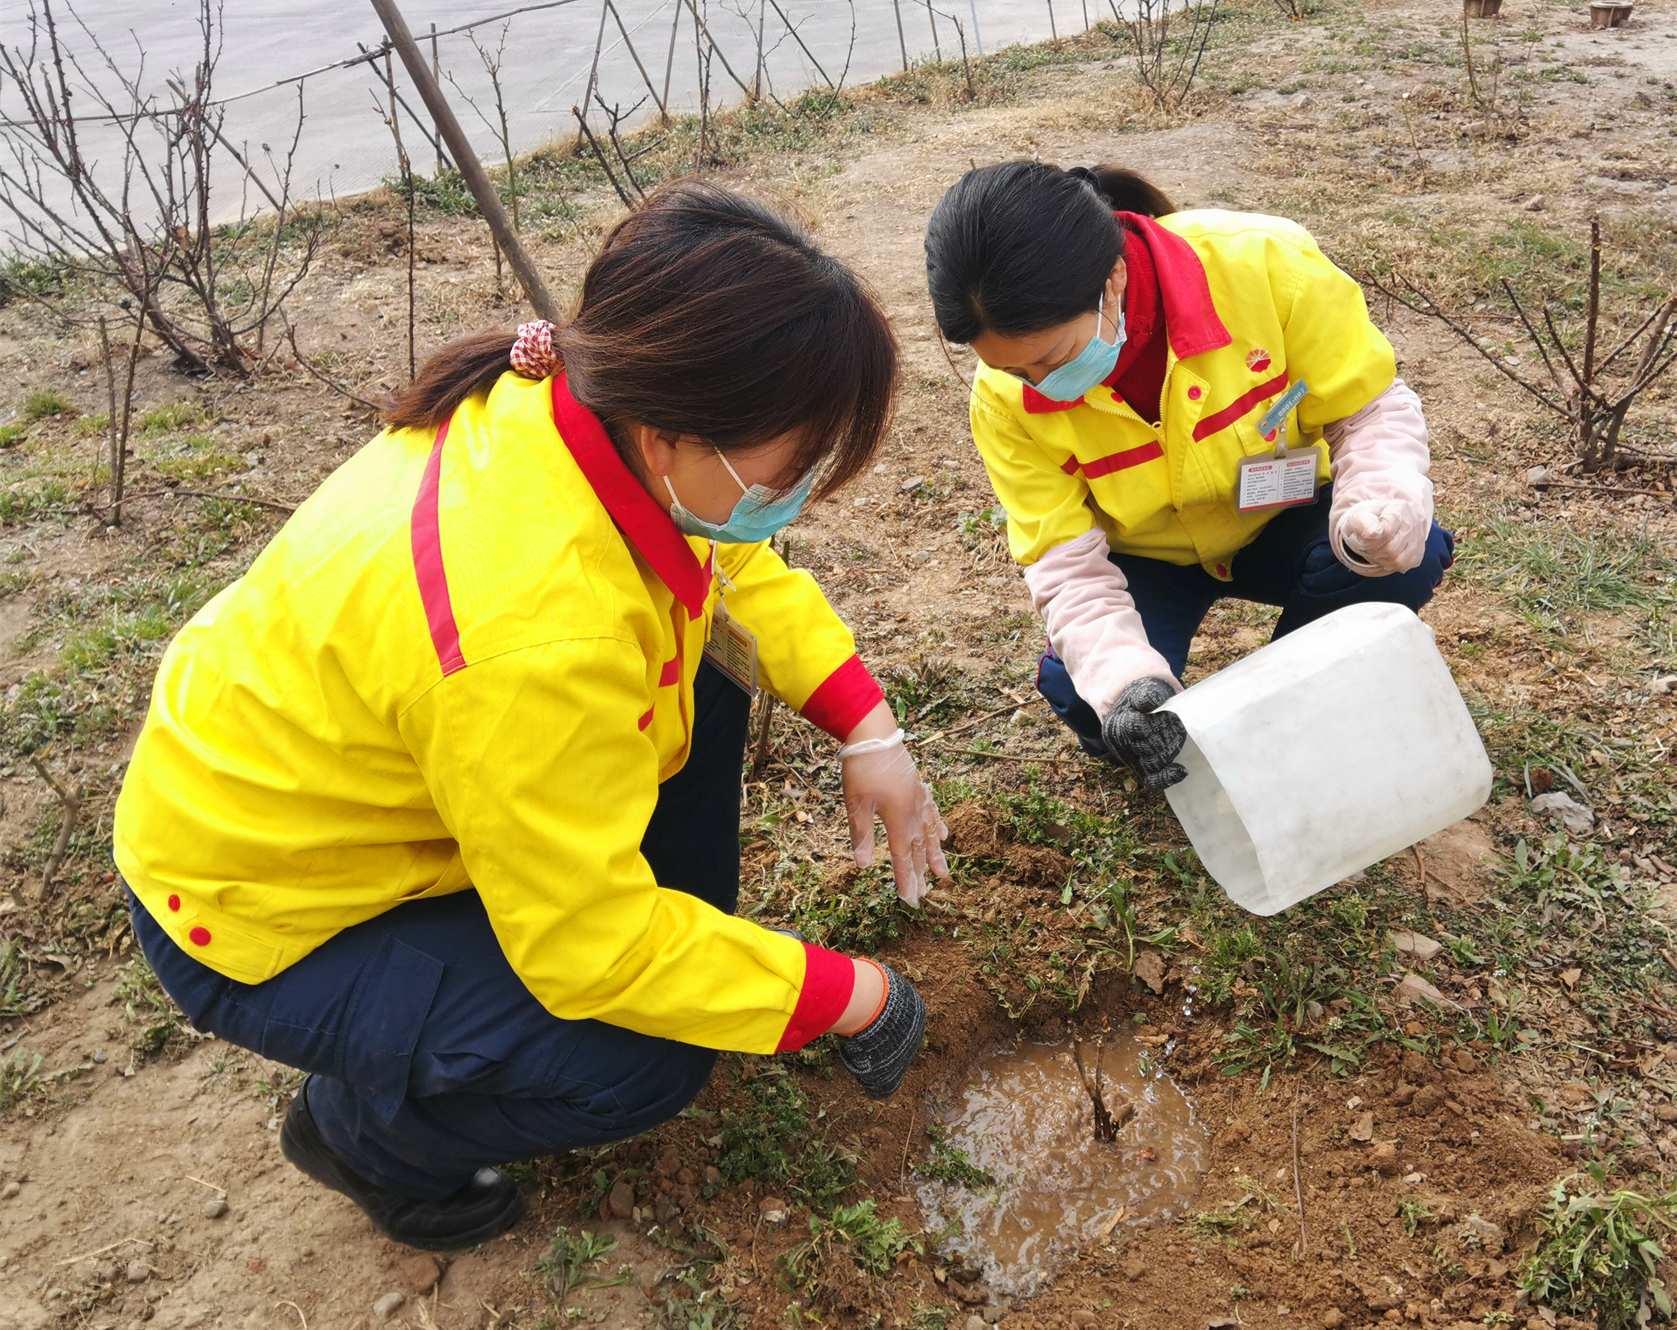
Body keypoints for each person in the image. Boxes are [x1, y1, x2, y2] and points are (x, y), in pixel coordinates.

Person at [112, 182, 948, 1252]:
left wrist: (866, 726)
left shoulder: (570, 407)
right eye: (787, 470)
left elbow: (727, 566)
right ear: (669, 432)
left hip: (374, 781)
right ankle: (367, 1138)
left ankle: (671, 954)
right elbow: (588, 949)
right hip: (263, 906)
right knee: (639, 1058)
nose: (797, 496)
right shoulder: (530, 630)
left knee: (705, 672)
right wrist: (850, 993)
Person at [925, 162, 1453, 789]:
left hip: (1285, 518)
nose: (1041, 387)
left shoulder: (1264, 266)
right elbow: (1064, 563)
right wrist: (1126, 684)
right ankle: (1178, 712)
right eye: (1015, 372)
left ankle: (1294, 709)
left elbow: (1367, 409)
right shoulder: (1002, 402)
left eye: (1054, 359)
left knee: (1399, 561)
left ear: (1112, 278)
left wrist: (1380, 502)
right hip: (1145, 558)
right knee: (1093, 704)